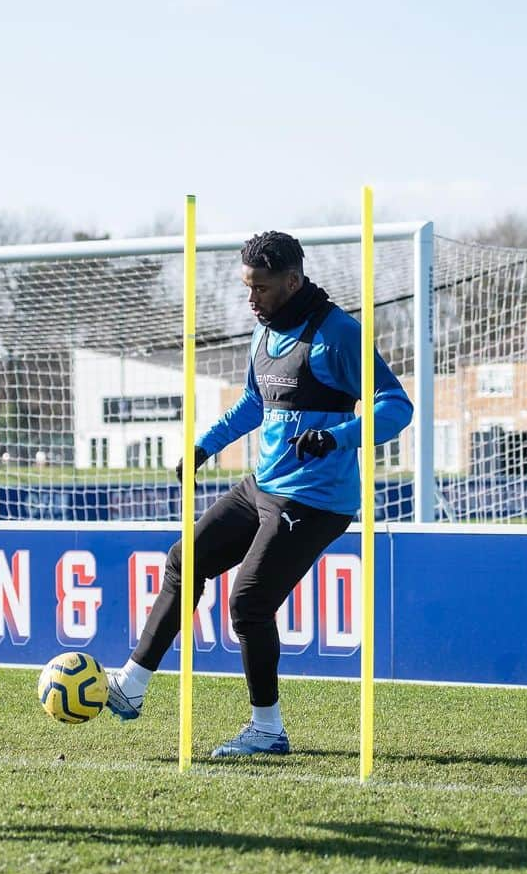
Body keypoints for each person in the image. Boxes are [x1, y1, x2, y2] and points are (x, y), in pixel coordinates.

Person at [106, 231, 413, 756]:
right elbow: (254, 403)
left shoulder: (337, 334)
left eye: (263, 289)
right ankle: (130, 686)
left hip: (316, 500)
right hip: (262, 485)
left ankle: (267, 731)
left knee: (248, 602)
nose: (252, 299)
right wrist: (203, 446)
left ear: (293, 281)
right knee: (186, 558)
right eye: (247, 287)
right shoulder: (262, 331)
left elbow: (396, 406)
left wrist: (338, 436)